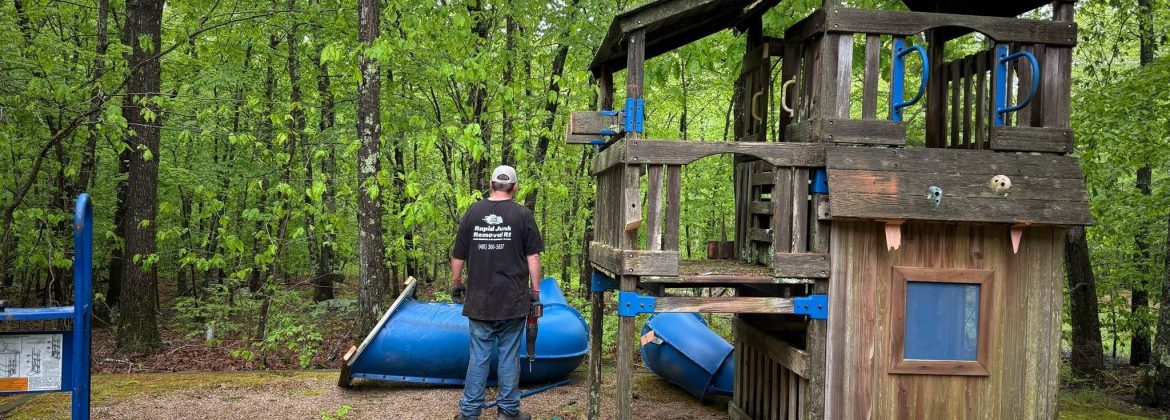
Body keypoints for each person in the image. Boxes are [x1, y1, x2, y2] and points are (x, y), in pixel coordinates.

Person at [450, 165, 544, 420]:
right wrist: (535, 291)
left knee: (479, 356)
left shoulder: (473, 212)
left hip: (480, 300)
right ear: (514, 187)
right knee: (509, 356)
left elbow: (458, 254)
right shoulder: (523, 214)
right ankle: (508, 412)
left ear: (491, 185)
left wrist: (456, 281)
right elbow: (533, 256)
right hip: (512, 300)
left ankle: (469, 414)